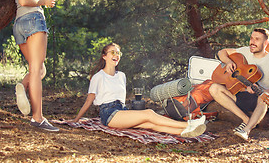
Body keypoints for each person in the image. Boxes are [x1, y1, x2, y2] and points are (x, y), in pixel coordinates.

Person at [72, 43, 206, 138]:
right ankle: (188, 125)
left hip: (121, 110)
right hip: (109, 113)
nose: (116, 55)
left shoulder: (121, 76)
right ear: (104, 56)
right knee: (149, 113)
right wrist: (76, 119)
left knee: (149, 123)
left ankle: (184, 132)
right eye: (112, 52)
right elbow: (89, 100)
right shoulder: (98, 77)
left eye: (118, 53)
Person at [12, 0, 58, 131]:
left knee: (38, 70)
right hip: (33, 21)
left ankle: (22, 86)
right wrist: (43, 3)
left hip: (20, 24)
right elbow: (24, 0)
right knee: (37, 71)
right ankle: (37, 118)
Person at [209, 28, 269, 141]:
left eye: (257, 39)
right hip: (244, 96)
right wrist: (229, 62)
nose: (252, 42)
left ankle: (246, 130)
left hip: (263, 100)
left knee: (265, 97)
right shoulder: (244, 51)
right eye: (251, 38)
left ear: (266, 43)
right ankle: (246, 119)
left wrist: (260, 90)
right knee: (214, 88)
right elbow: (221, 52)